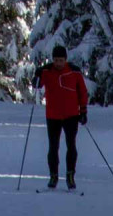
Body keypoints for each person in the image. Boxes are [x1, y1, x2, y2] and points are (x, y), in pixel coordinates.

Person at [37, 43, 89, 189]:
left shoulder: (75, 72)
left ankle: (70, 175)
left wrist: (83, 111)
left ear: (65, 59)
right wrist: (37, 73)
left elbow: (82, 92)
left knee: (71, 145)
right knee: (53, 147)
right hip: (53, 115)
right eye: (56, 60)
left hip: (71, 115)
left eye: (61, 60)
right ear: (53, 60)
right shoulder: (47, 71)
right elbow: (37, 85)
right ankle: (53, 176)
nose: (58, 63)